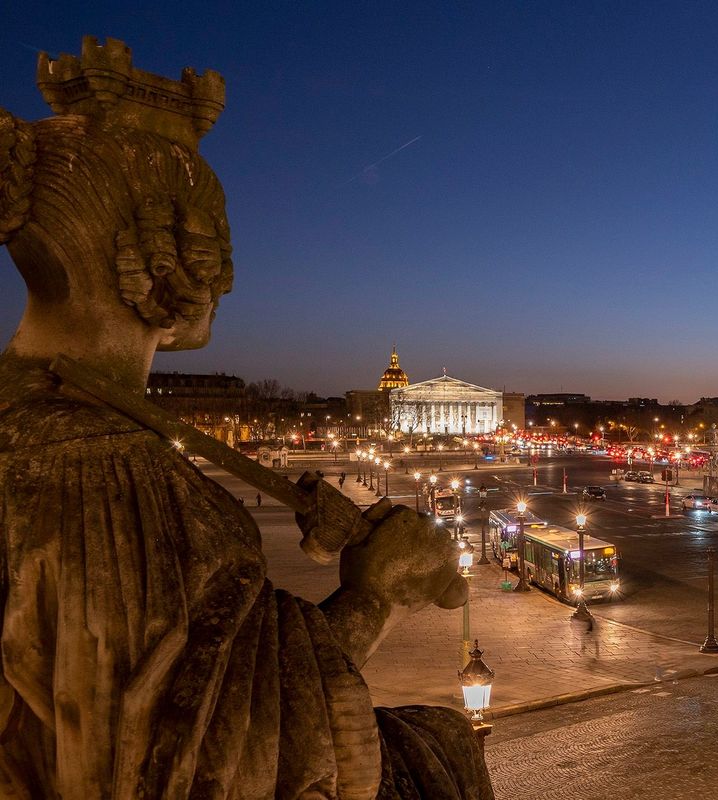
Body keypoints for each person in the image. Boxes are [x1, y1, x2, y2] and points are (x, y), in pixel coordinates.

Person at [0, 40, 488, 798]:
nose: (228, 275)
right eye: (215, 245)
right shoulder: (98, 473)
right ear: (164, 263)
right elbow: (204, 759)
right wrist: (375, 595)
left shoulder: (35, 416)